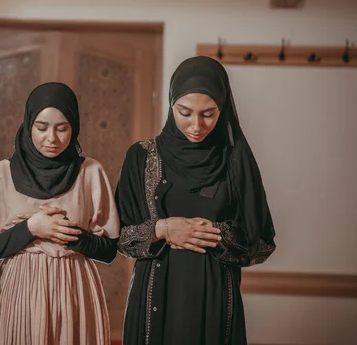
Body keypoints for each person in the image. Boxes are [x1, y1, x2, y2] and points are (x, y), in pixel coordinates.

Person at [117, 56, 276, 345]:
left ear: (223, 109)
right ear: (171, 104)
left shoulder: (235, 161)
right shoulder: (140, 157)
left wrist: (210, 234)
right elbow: (121, 238)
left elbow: (261, 243)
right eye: (185, 112)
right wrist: (162, 229)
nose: (196, 125)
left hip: (215, 298)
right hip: (155, 295)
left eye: (208, 114)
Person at [0, 82, 120, 345]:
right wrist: (31, 228)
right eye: (41, 127)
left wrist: (68, 234)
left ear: (74, 128)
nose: (51, 139)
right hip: (19, 289)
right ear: (28, 123)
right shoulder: (2, 173)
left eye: (62, 128)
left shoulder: (90, 171)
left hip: (74, 286)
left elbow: (109, 249)